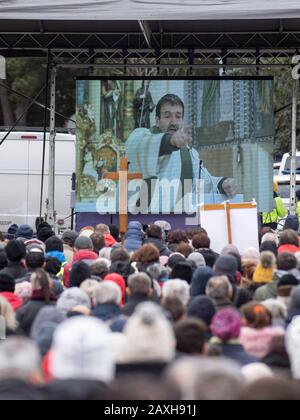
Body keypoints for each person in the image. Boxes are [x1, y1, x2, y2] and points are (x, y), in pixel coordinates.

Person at [126, 94, 237, 212]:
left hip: (179, 220)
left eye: (178, 116)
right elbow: (137, 147)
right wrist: (169, 141)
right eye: (167, 116)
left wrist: (222, 184)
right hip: (144, 218)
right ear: (157, 121)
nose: (173, 122)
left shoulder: (189, 153)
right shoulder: (141, 137)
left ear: (182, 121)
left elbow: (202, 183)